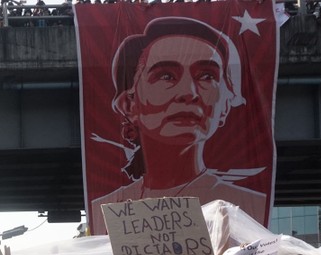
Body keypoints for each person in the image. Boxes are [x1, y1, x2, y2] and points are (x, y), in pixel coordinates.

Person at [91, 17, 268, 233]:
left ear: (224, 108)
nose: (189, 93)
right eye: (166, 76)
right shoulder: (104, 209)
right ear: (129, 104)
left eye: (206, 76)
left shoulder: (246, 206)